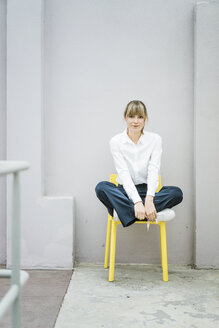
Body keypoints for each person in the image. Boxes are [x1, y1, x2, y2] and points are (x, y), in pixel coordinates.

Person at [95, 100, 183, 227]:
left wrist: (149, 199)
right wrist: (136, 202)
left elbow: (154, 169)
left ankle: (127, 212)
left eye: (140, 117)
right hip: (124, 192)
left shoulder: (155, 139)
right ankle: (143, 212)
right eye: (131, 116)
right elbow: (123, 173)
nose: (135, 121)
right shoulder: (116, 141)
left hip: (146, 191)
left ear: (145, 118)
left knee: (176, 193)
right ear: (125, 117)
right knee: (101, 187)